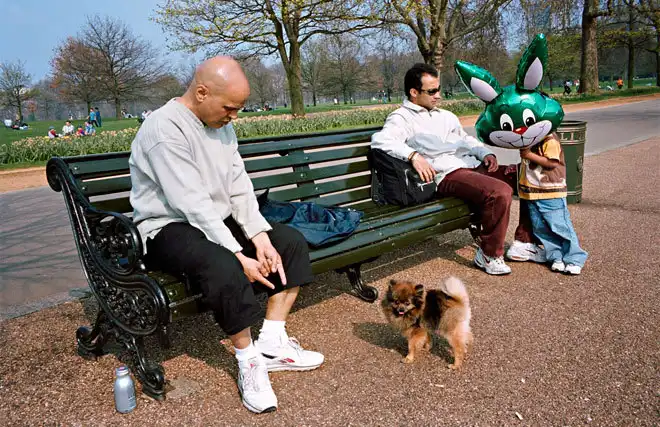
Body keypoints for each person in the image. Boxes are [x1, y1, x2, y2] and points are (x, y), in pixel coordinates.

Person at [128, 56, 324, 414]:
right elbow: (191, 203)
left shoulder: (221, 125)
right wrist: (238, 253)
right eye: (230, 108)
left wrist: (260, 237)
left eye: (238, 109)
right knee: (222, 265)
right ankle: (249, 361)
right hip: (166, 228)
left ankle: (272, 342)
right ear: (202, 92)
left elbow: (238, 186)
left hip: (211, 220)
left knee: (289, 242)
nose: (234, 116)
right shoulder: (163, 128)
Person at [371, 63, 542, 275]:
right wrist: (413, 156)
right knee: (499, 192)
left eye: (438, 89)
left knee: (528, 175)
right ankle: (488, 255)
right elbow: (381, 140)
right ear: (414, 92)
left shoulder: (446, 116)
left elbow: (465, 139)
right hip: (447, 175)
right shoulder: (401, 117)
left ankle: (523, 242)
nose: (438, 95)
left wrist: (484, 153)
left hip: (470, 165)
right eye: (432, 91)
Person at [519, 134, 588, 275]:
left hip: (551, 192)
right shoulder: (528, 138)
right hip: (532, 192)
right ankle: (556, 256)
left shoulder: (549, 140)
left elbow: (552, 162)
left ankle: (575, 259)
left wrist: (528, 154)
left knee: (560, 226)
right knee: (540, 228)